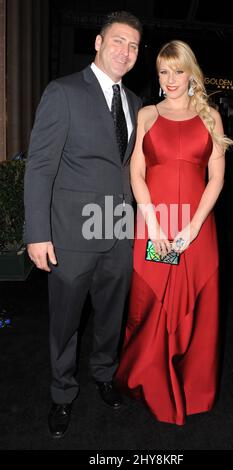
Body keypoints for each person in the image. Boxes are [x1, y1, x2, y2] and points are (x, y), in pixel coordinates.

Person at [24, 11, 142, 438]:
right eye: (118, 41)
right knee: (66, 320)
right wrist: (37, 233)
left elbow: (132, 171)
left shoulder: (136, 104)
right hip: (71, 234)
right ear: (98, 42)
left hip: (118, 231)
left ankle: (104, 375)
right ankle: (61, 394)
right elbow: (40, 166)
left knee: (111, 315)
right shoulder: (64, 92)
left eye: (133, 46)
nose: (125, 52)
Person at [115, 40, 233, 425]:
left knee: (198, 308)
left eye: (177, 71)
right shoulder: (147, 114)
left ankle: (192, 386)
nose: (170, 79)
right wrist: (152, 224)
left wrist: (193, 226)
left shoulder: (211, 117)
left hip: (197, 230)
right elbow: (136, 173)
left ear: (191, 73)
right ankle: (149, 379)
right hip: (155, 226)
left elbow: (216, 179)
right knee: (152, 305)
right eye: (163, 72)